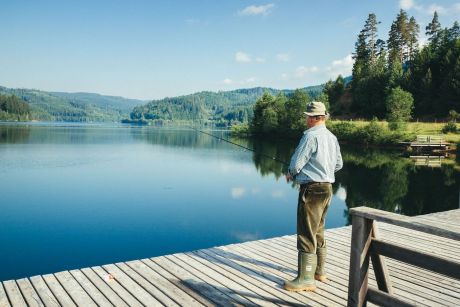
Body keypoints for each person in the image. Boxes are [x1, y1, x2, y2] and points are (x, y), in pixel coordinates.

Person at [284, 101, 343, 292]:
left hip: (311, 189)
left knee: (306, 232)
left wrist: (291, 173)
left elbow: (296, 162)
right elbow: (339, 164)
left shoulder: (310, 137)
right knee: (318, 230)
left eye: (307, 116)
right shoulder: (332, 137)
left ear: (312, 118)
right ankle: (319, 272)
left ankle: (305, 279)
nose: (305, 119)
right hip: (327, 188)